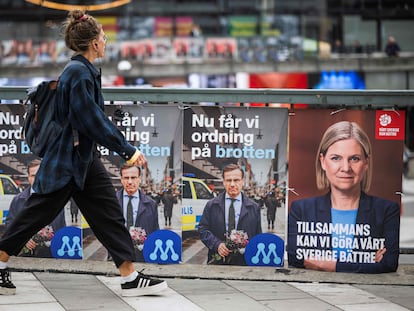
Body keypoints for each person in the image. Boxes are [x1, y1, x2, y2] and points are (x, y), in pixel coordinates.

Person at [0, 9, 167, 296]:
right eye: (103, 36)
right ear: (93, 43)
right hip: (67, 162)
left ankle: (129, 276)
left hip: (83, 160)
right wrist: (127, 150)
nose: (105, 40)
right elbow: (90, 119)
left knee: (108, 215)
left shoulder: (83, 71)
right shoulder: (78, 73)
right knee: (35, 215)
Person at [288, 121, 400, 274]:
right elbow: (296, 257)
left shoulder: (387, 211)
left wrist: (331, 266)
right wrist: (366, 265)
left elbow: (388, 263)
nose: (346, 168)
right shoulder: (301, 210)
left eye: (354, 159)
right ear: (323, 162)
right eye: (336, 158)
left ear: (366, 163)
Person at [198, 163, 262, 265]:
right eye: (228, 180)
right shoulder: (212, 205)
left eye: (236, 180)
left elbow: (258, 237)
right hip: (217, 261)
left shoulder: (254, 208)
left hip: (244, 263)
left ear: (242, 181)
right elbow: (203, 230)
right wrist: (217, 245)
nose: (232, 184)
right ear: (223, 182)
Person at [6, 159, 66, 258]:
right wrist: (22, 240)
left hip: (50, 256)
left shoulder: (57, 200)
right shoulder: (18, 200)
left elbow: (61, 228)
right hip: (25, 257)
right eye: (33, 176)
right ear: (28, 177)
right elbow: (10, 226)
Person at [116, 164, 159, 262]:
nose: (130, 182)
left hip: (141, 257)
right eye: (126, 178)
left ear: (139, 179)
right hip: (117, 256)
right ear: (121, 179)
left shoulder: (151, 204)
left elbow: (154, 231)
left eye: (133, 177)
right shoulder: (112, 202)